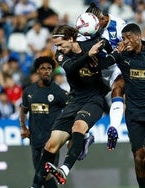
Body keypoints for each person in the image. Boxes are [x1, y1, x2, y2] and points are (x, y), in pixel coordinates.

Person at [32, 24, 111, 186]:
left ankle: (65, 169)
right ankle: (35, 185)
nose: (58, 48)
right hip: (74, 101)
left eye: (61, 44)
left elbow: (106, 43)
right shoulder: (60, 55)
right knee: (51, 145)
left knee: (78, 127)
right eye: (56, 46)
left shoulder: (89, 44)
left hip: (94, 99)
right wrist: (88, 55)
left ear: (71, 39)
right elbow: (71, 68)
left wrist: (103, 42)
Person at [101, 23, 145, 188]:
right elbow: (102, 65)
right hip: (134, 114)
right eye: (123, 38)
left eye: (128, 38)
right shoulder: (122, 55)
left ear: (139, 37)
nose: (125, 41)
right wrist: (115, 52)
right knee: (140, 159)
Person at [19, 56, 69, 188]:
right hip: (35, 139)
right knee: (40, 173)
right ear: (37, 71)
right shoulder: (29, 91)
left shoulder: (58, 92)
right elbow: (23, 109)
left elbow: (71, 110)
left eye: (49, 68)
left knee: (45, 174)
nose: (46, 71)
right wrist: (23, 127)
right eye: (43, 68)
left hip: (52, 141)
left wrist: (69, 133)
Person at [84, 2, 126, 151]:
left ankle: (113, 128)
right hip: (96, 71)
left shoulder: (119, 25)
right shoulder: (86, 27)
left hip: (115, 68)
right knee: (82, 100)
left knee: (119, 86)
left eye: (95, 26)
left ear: (101, 19)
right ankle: (85, 137)